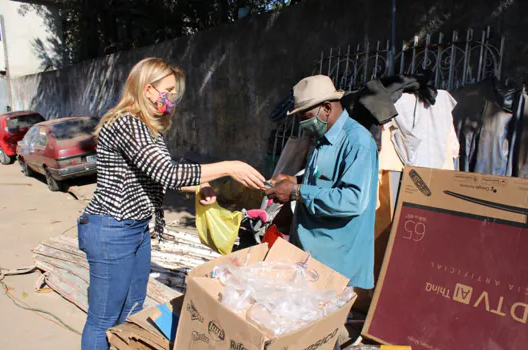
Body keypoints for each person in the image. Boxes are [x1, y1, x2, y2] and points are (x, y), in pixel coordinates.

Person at [77, 57, 265, 350]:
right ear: (147, 88)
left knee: (134, 306)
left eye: (174, 93)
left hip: (136, 228)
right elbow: (167, 172)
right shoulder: (127, 123)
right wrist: (229, 166)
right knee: (103, 318)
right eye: (168, 90)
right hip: (111, 230)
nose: (172, 99)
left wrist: (199, 186)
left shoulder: (147, 127)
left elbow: (159, 173)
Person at [265, 75, 378, 291]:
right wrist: (292, 181)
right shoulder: (323, 138)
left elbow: (352, 200)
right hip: (310, 255)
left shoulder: (358, 142)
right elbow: (324, 182)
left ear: (326, 107)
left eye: (305, 116)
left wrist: (297, 191)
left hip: (334, 264)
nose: (301, 123)